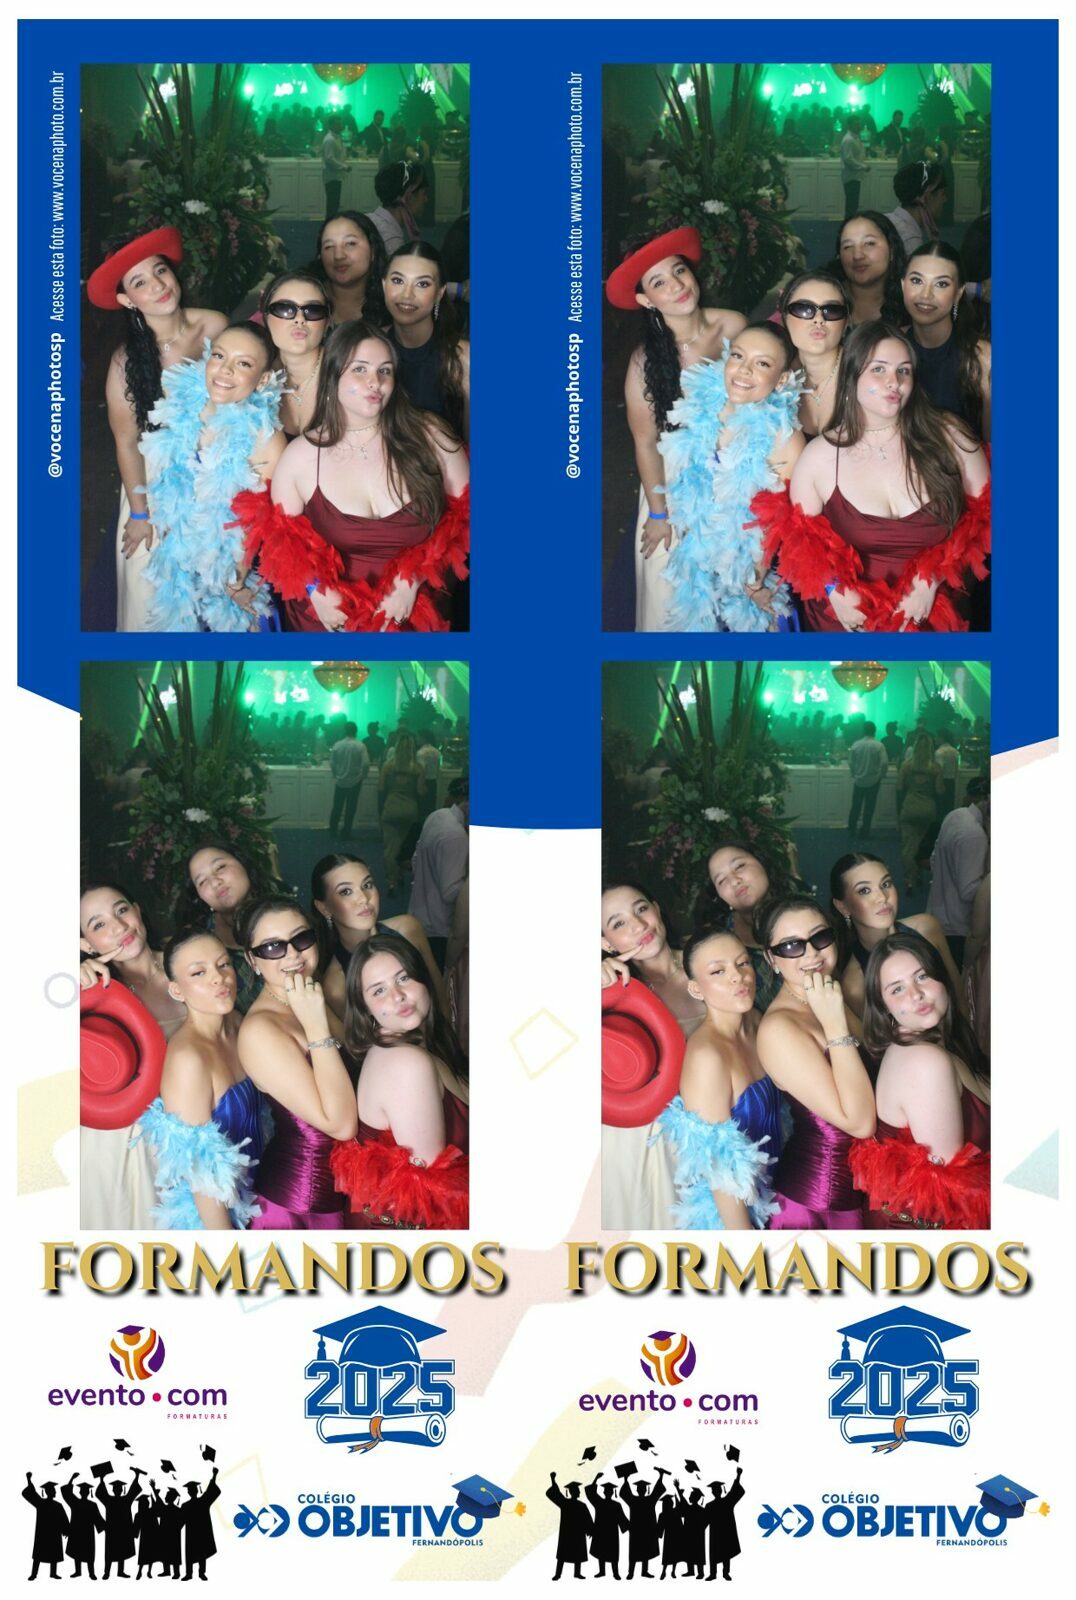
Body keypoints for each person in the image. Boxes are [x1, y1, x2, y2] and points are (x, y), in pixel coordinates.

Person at [758, 320, 990, 631]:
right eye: (879, 369)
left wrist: (933, 577)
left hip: (935, 624)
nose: (894, 382)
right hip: (850, 628)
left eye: (904, 370)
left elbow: (986, 517)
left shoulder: (951, 436)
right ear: (852, 376)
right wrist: (833, 589)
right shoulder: (819, 457)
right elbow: (800, 541)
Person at [242, 322, 470, 632]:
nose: (375, 382)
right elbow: (280, 540)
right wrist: (314, 589)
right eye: (360, 369)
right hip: (331, 626)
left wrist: (414, 578)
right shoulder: (300, 457)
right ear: (333, 376)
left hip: (418, 621)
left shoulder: (432, 436)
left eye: (385, 371)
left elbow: (467, 518)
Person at [604, 228, 747, 630]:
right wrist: (658, 513)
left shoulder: (734, 325)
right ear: (646, 300)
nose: (677, 286)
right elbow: (646, 443)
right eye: (659, 282)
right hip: (674, 486)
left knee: (735, 596)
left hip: (737, 477)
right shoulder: (643, 362)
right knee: (672, 599)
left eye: (679, 271)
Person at [87, 228, 227, 631]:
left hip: (217, 477)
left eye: (160, 271)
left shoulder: (215, 325)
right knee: (151, 597)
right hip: (155, 486)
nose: (158, 285)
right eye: (140, 282)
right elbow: (127, 443)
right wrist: (139, 513)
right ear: (127, 300)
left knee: (215, 595)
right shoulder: (124, 361)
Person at [140, 321, 286, 631]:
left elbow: (261, 521)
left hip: (232, 572)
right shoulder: (184, 407)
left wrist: (235, 580)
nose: (225, 370)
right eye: (219, 356)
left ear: (262, 380)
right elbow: (171, 483)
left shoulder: (266, 438)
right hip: (181, 566)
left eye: (243, 363)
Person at [660, 322, 805, 631]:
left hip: (752, 574)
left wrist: (754, 581)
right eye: (738, 356)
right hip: (700, 566)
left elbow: (779, 521)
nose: (744, 370)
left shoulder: (785, 438)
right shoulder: (703, 408)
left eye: (762, 363)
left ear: (781, 380)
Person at [850, 930, 989, 1227]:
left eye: (923, 977)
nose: (916, 995)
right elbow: (955, 1191)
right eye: (897, 989)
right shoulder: (925, 1062)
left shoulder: (940, 1042)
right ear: (883, 1007)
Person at [330, 934, 469, 1228]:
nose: (397, 996)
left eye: (404, 978)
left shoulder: (421, 1045)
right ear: (365, 1008)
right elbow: (436, 1195)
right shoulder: (406, 1063)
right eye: (379, 990)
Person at [754, 896, 875, 1228]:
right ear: (771, 958)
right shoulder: (779, 1029)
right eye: (791, 946)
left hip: (866, 1188)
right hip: (819, 1205)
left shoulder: (826, 993)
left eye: (820, 937)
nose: (811, 953)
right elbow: (859, 1123)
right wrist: (835, 1025)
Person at [237, 897, 357, 1229]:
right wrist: (316, 1025)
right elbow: (340, 1125)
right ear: (252, 959)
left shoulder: (307, 995)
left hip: (348, 1191)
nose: (292, 954)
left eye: (301, 938)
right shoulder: (260, 1030)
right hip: (300, 1209)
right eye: (272, 947)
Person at [655, 930, 786, 1229]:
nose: (738, 976)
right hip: (739, 1212)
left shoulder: (756, 1021)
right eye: (718, 971)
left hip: (780, 1191)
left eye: (743, 963)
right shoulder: (707, 1057)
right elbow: (719, 1166)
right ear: (696, 988)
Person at [135, 930, 264, 1229]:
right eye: (199, 972)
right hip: (221, 1214)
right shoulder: (188, 1060)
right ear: (177, 990)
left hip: (262, 1192)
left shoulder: (237, 1023)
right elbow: (200, 1172)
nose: (219, 978)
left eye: (223, 964)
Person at [831, 849, 966, 1017]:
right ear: (842, 906)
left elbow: (960, 999)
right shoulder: (854, 983)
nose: (882, 897)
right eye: (864, 890)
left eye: (886, 884)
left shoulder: (926, 928)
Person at [311, 850, 448, 1013]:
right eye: (346, 892)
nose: (363, 898)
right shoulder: (336, 985)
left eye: (367, 885)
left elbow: (441, 999)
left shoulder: (408, 929)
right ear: (324, 908)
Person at [698, 841, 804, 1011]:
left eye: (739, 866)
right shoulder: (718, 942)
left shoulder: (804, 913)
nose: (734, 881)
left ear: (762, 862)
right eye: (721, 880)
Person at [903, 241, 991, 441]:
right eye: (916, 280)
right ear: (902, 285)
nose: (926, 294)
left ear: (958, 293)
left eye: (941, 284)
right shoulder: (887, 346)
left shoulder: (983, 357)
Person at [183, 841, 284, 1013]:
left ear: (243, 863)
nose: (215, 882)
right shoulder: (198, 942)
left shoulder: (285, 914)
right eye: (202, 881)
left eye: (220, 867)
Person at [384, 241, 470, 440]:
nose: (407, 294)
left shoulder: (464, 357)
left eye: (422, 284)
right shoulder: (369, 346)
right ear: (383, 285)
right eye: (397, 280)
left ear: (440, 293)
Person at [260, 271, 332, 441]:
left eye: (313, 310)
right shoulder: (254, 375)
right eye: (285, 309)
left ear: (327, 321)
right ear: (266, 317)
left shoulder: (348, 371)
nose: (299, 319)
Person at [926, 775, 990, 966]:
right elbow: (969, 891)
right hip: (958, 927)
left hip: (937, 912)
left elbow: (933, 860)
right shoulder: (975, 835)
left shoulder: (956, 814)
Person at [778, 271, 850, 438]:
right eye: (804, 309)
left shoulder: (867, 371)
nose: (818, 319)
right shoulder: (772, 375)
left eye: (831, 310)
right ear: (785, 317)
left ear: (846, 322)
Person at [409, 776, 468, 970]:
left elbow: (415, 861)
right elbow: (450, 892)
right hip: (440, 928)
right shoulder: (456, 836)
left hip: (418, 914)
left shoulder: (438, 815)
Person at [833, 211, 906, 326]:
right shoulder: (827, 301)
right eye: (848, 246)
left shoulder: (910, 306)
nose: (857, 255)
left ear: (892, 250)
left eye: (869, 243)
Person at [318, 211, 387, 326]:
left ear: (373, 250)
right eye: (329, 246)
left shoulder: (392, 305)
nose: (338, 256)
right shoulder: (309, 302)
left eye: (350, 243)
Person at [897, 733, 942, 891]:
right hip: (928, 808)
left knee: (908, 845)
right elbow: (940, 791)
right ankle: (919, 874)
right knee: (924, 845)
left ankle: (909, 878)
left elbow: (899, 787)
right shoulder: (935, 768)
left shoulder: (906, 766)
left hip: (910, 806)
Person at [366, 161, 429, 257]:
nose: (426, 199)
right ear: (409, 196)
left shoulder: (369, 219)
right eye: (424, 193)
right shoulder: (392, 243)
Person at [885, 159, 946, 257]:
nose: (945, 200)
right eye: (943, 194)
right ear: (928, 197)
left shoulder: (887, 219)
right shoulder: (911, 244)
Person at [546, 1474, 594, 1582]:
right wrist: (553, 1480)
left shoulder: (577, 1505)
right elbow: (556, 1493)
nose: (579, 1492)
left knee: (576, 1553)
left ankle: (576, 1573)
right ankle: (558, 1574)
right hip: (568, 1533)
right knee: (563, 1554)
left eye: (578, 1490)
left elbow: (587, 1519)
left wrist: (590, 1530)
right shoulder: (565, 1503)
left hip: (576, 1532)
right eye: (577, 1490)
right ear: (573, 1492)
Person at [328, 720, 370, 838]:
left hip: (340, 780)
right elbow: (366, 763)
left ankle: (333, 829)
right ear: (356, 731)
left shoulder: (337, 745)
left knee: (337, 806)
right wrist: (363, 775)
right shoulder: (360, 745)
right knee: (350, 808)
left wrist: (335, 774)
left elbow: (332, 762)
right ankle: (346, 832)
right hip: (355, 781)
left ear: (345, 731)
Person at [23, 1475, 69, 1581]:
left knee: (53, 1553)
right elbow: (32, 1493)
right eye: (53, 1490)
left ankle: (52, 1573)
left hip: (53, 1533)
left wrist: (65, 1530)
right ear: (49, 1492)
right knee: (39, 1554)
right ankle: (34, 1574)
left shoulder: (54, 1505)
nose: (55, 1492)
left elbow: (63, 1519)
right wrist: (29, 1480)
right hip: (44, 1533)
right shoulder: (41, 1503)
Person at [846, 719, 887, 836]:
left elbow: (850, 762)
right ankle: (865, 831)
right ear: (874, 731)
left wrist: (854, 773)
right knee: (869, 807)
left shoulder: (856, 744)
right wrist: (882, 775)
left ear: (863, 731)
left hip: (859, 780)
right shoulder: (879, 745)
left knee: (856, 806)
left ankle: (851, 829)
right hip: (873, 780)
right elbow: (884, 763)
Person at [179, 1469, 221, 1582]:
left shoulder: (189, 1505)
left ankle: (193, 1573)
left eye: (191, 1489)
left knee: (196, 1552)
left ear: (190, 1492)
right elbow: (210, 1490)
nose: (191, 1491)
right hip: (196, 1532)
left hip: (195, 1532)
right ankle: (197, 1573)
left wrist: (214, 1475)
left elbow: (210, 1490)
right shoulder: (201, 1502)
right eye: (191, 1489)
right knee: (199, 1552)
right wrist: (214, 1475)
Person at [61, 1478, 105, 1580]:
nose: (83, 1492)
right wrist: (71, 1479)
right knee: (78, 1552)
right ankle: (79, 1572)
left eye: (84, 1491)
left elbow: (98, 1519)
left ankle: (91, 1573)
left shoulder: (84, 1504)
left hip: (86, 1532)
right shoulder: (77, 1502)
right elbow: (67, 1493)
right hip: (80, 1531)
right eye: (83, 1491)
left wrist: (106, 1526)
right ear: (81, 1492)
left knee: (87, 1553)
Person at [585, 1478, 629, 1579]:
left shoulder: (608, 1504)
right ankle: (603, 1572)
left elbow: (622, 1519)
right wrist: (595, 1479)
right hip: (604, 1532)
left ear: (611, 1493)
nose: (608, 1492)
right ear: (605, 1492)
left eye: (609, 1491)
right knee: (601, 1552)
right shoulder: (600, 1502)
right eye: (607, 1491)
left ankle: (615, 1573)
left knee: (611, 1553)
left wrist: (631, 1526)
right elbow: (590, 1493)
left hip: (610, 1532)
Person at [839, 116, 870, 217]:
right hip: (851, 176)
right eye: (856, 124)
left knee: (852, 205)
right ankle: (848, 224)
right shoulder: (849, 140)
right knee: (851, 206)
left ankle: (849, 224)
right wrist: (863, 166)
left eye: (859, 124)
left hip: (854, 176)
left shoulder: (854, 138)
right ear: (850, 125)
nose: (859, 126)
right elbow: (848, 159)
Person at [321, 115, 349, 220]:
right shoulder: (330, 139)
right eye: (338, 124)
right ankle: (329, 224)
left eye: (340, 123)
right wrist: (344, 167)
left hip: (335, 175)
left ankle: (330, 223)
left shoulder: (336, 138)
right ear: (331, 125)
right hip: (332, 176)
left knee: (334, 204)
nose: (341, 126)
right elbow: (329, 159)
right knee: (332, 204)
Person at [933, 727, 960, 814]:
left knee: (940, 808)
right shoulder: (955, 751)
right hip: (952, 782)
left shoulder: (939, 752)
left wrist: (938, 784)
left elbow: (939, 769)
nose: (935, 739)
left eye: (937, 736)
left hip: (941, 781)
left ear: (942, 738)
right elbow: (957, 768)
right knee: (950, 806)